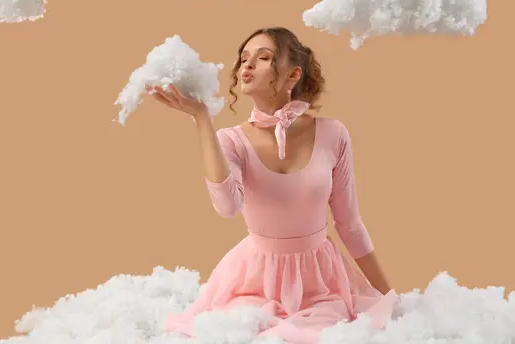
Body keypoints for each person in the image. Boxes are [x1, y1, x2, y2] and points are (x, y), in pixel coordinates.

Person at [146, 27, 398, 343]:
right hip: (253, 282)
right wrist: (201, 119)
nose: (246, 66)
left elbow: (350, 224)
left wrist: (389, 295)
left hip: (321, 284)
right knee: (245, 334)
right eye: (243, 59)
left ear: (293, 75)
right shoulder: (230, 140)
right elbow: (227, 207)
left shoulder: (333, 133)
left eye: (262, 58)